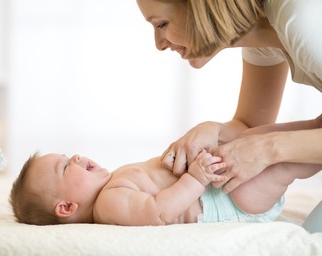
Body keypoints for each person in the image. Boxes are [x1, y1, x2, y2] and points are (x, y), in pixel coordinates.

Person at [136, 0, 322, 194]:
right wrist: (213, 130)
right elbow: (251, 126)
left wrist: (267, 149)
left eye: (162, 24)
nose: (159, 44)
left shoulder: (302, 19)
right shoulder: (262, 38)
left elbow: (258, 142)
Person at [10, 120, 321, 226]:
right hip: (229, 201)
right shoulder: (108, 205)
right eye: (65, 166)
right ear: (66, 207)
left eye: (68, 155)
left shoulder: (113, 184)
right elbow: (158, 213)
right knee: (283, 162)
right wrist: (196, 177)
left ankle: (314, 127)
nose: (75, 156)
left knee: (258, 136)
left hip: (221, 183)